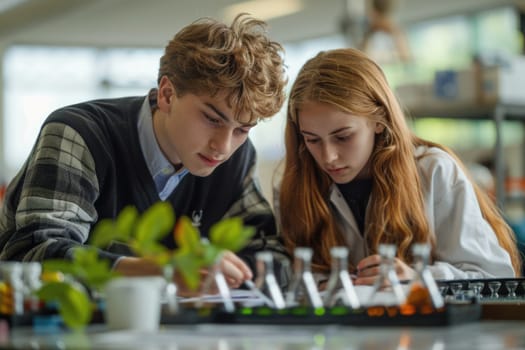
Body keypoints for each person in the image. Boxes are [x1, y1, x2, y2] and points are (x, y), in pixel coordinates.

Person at [0, 14, 290, 292]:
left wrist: (229, 272)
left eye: (242, 129)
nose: (223, 147)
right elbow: (34, 254)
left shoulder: (236, 158)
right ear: (167, 94)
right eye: (212, 119)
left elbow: (272, 257)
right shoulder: (80, 133)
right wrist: (162, 271)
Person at [274, 48, 521, 287]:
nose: (328, 157)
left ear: (379, 119)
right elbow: (291, 279)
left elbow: (494, 278)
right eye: (312, 139)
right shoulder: (296, 186)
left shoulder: (434, 171)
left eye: (343, 137)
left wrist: (418, 279)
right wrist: (325, 285)